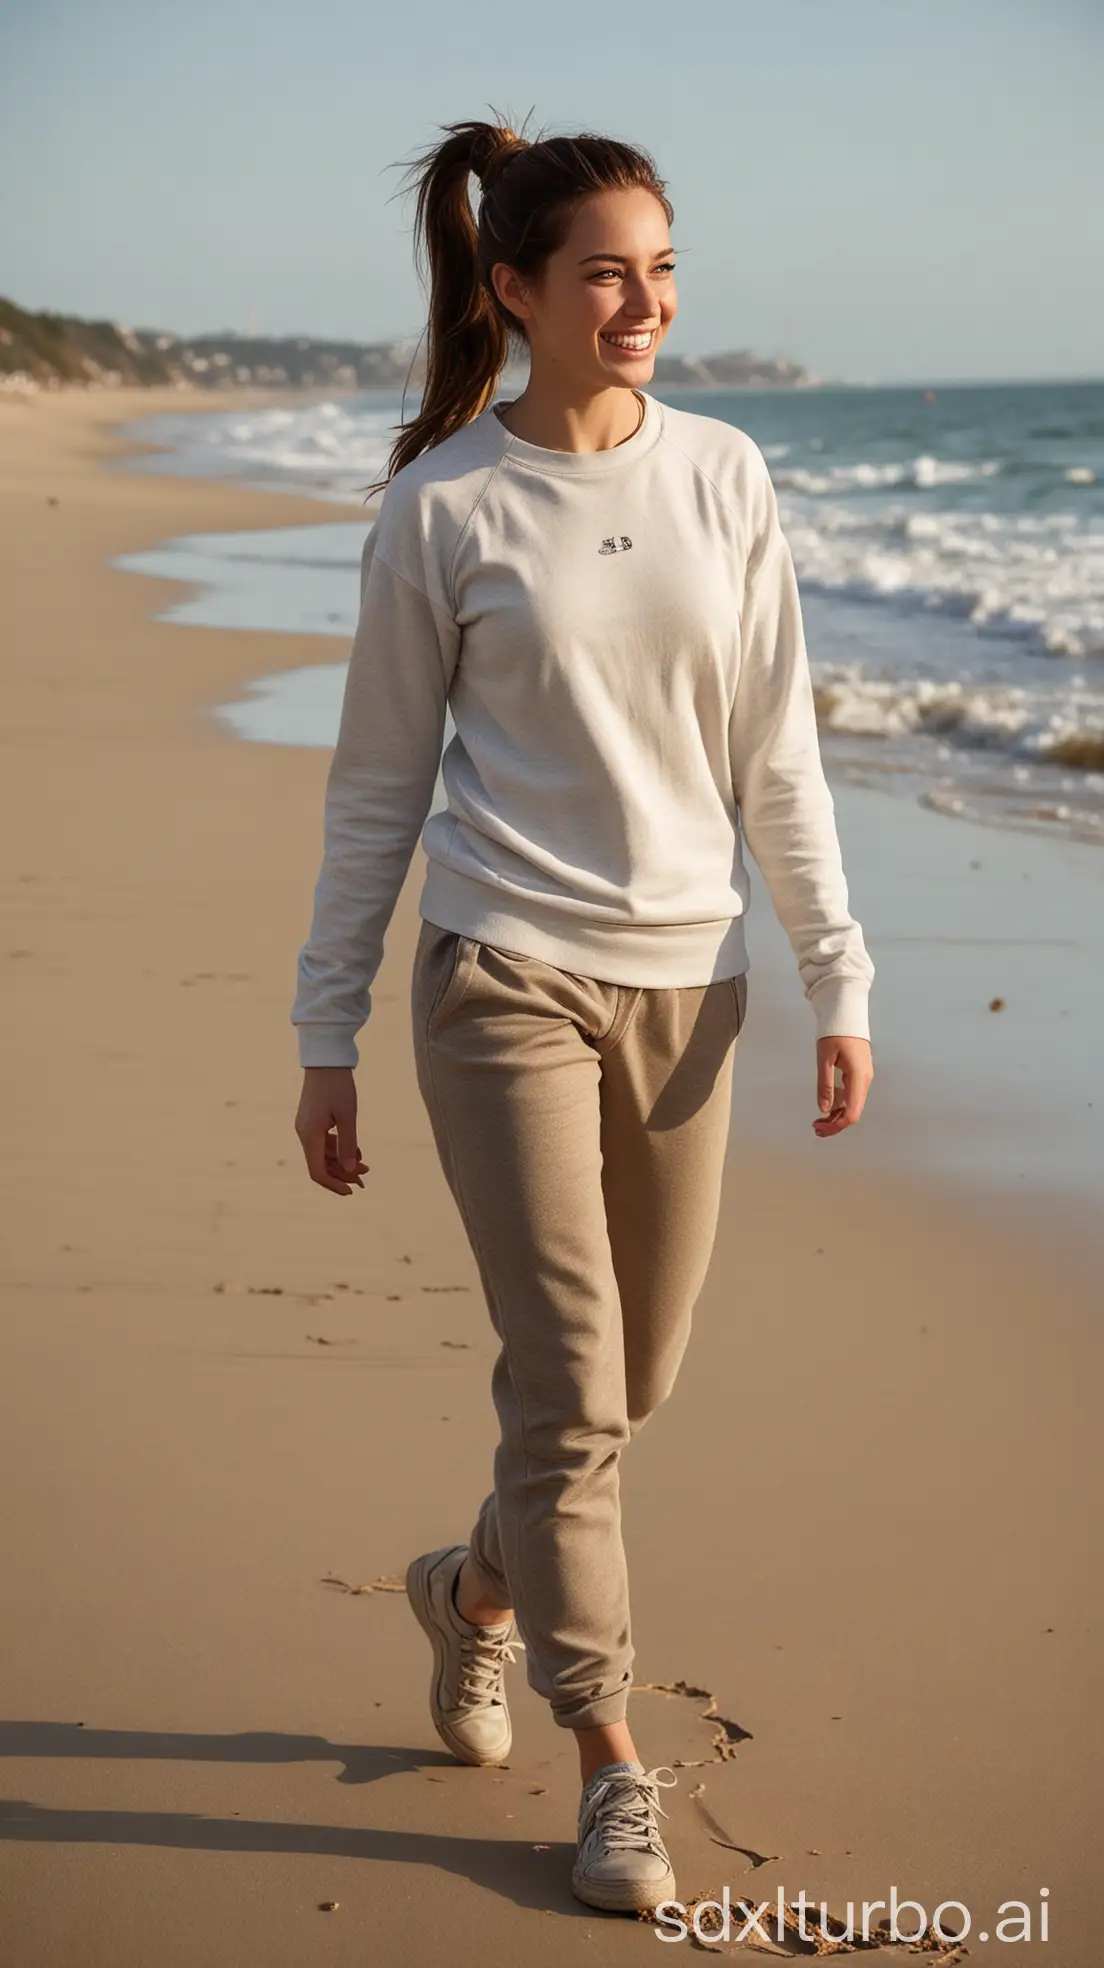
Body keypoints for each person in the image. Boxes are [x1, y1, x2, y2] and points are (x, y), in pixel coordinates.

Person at [291, 115, 874, 1916]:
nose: (644, 301)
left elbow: (776, 747)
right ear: (515, 288)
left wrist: (837, 970)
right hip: (503, 978)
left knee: (633, 1384)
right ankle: (609, 1758)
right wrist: (326, 1031)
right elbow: (377, 790)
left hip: (690, 979)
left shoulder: (724, 475)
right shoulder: (443, 507)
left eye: (665, 268)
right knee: (566, 1385)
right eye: (607, 271)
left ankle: (468, 1588)